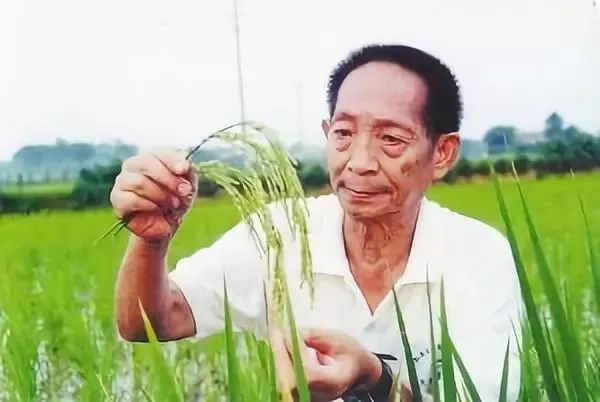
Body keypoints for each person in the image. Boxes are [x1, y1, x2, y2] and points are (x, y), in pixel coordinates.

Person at [110, 44, 524, 401]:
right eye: (344, 133)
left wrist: (373, 378)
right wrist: (151, 242)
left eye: (391, 139)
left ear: (443, 153)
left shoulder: (477, 256)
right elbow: (148, 322)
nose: (359, 162)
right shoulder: (280, 233)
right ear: (327, 133)